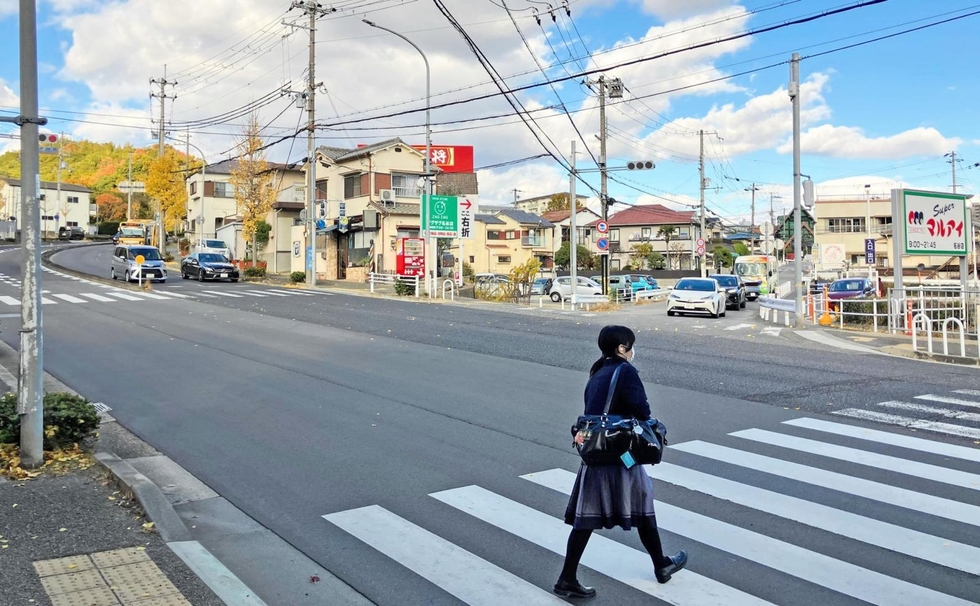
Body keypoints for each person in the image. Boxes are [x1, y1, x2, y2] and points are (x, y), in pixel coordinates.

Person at [555, 325, 687, 599]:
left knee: (586, 520)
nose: (632, 350)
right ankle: (661, 564)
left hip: (597, 457)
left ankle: (567, 578)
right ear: (621, 349)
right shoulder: (625, 371)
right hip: (621, 456)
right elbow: (642, 410)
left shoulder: (597, 372)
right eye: (630, 346)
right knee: (642, 504)